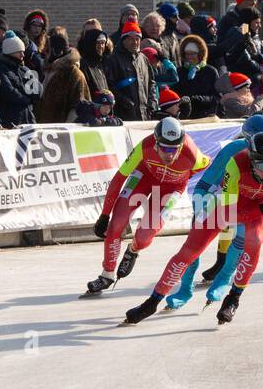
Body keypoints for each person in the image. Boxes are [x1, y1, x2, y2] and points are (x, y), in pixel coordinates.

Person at [123, 130, 263, 326]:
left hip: (258, 208)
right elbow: (230, 214)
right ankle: (152, 302)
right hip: (229, 203)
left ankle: (233, 299)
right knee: (190, 251)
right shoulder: (236, 164)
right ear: (252, 160)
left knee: (253, 241)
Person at [163, 114, 263, 310]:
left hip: (249, 198)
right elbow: (206, 183)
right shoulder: (234, 149)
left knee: (242, 236)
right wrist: (201, 210)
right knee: (196, 243)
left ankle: (224, 277)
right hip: (219, 194)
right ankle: (185, 289)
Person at [84, 117, 209, 296]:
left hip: (170, 188)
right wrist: (104, 215)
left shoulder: (192, 155)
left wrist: (185, 179)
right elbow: (118, 179)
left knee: (144, 237)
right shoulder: (145, 146)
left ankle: (133, 250)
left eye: (175, 149)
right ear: (156, 142)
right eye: (165, 148)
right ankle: (107, 274)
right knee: (116, 224)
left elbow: (210, 167)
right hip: (144, 177)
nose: (170, 155)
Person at [35, 28, 88, 123]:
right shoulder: (45, 70)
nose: (45, 52)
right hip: (43, 130)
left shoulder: (73, 74)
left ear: (56, 50)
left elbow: (79, 107)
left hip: (61, 132)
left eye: (48, 49)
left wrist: (65, 131)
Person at [105, 20, 154, 121]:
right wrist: (124, 102)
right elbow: (110, 86)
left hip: (144, 115)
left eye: (137, 39)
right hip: (123, 116)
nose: (135, 42)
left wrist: (152, 103)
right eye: (131, 39)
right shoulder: (113, 59)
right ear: (123, 40)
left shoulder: (143, 59)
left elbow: (151, 83)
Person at [0, 31, 37, 127]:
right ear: (11, 52)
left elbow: (37, 89)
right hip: (11, 119)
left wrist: (29, 96)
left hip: (27, 118)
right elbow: (8, 92)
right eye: (20, 52)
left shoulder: (24, 69)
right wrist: (27, 99)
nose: (23, 55)